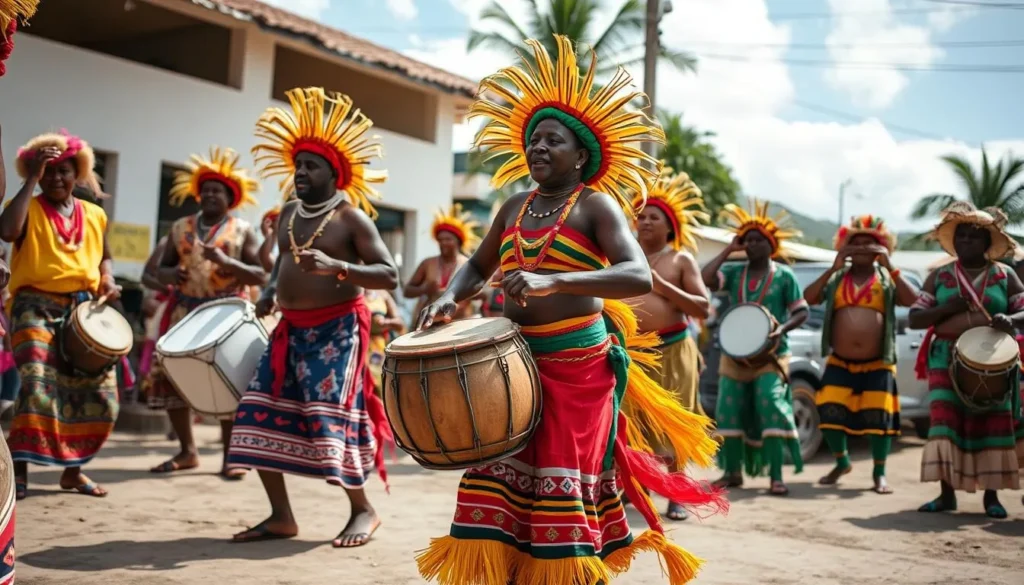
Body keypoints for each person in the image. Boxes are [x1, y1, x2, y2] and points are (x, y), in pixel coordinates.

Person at [415, 36, 726, 585]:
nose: (538, 147)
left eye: (552, 140)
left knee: (559, 491)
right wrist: (448, 296)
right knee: (501, 485)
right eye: (533, 140)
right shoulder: (514, 206)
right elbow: (477, 265)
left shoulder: (595, 205)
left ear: (580, 155)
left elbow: (633, 273)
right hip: (511, 369)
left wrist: (554, 279)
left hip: (579, 369)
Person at [226, 86, 399, 549]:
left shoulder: (351, 220)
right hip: (288, 331)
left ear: (334, 173)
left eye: (311, 166)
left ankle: (363, 510)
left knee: (329, 421)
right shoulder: (286, 214)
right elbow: (283, 264)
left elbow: (389, 274)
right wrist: (267, 294)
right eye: (298, 164)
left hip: (339, 331)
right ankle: (282, 516)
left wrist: (338, 267)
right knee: (255, 414)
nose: (300, 172)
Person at [1, 130, 121, 499]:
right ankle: (18, 472)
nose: (55, 178)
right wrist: (31, 179)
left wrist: (107, 278)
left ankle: (73, 473)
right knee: (36, 388)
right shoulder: (28, 206)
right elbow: (6, 231)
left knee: (99, 395)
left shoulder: (96, 214)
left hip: (82, 311)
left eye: (63, 171)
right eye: (47, 171)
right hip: (31, 308)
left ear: (77, 174)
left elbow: (104, 256)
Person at [146, 147, 266, 479]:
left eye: (219, 191)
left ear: (231, 197)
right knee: (172, 378)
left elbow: (260, 275)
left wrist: (228, 263)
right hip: (184, 311)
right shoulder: (180, 227)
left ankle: (231, 456)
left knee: (227, 379)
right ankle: (187, 451)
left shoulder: (242, 231)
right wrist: (170, 276)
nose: (211, 195)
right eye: (207, 190)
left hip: (226, 316)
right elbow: (161, 269)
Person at [908, 202, 1024, 519]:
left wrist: (1010, 319)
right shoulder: (939, 278)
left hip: (993, 361)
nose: (966, 242)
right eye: (961, 236)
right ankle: (946, 495)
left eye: (974, 237)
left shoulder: (1005, 275)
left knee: (992, 424)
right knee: (945, 423)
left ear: (988, 243)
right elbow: (915, 319)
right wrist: (948, 309)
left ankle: (992, 498)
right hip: (944, 358)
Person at [802, 216, 919, 494]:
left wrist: (890, 266)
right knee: (828, 413)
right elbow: (809, 297)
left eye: (871, 243)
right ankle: (842, 462)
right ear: (845, 247)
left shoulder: (887, 280)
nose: (864, 247)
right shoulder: (837, 278)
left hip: (877, 364)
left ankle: (879, 474)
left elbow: (913, 301)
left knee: (877, 422)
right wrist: (834, 266)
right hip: (840, 362)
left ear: (882, 249)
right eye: (856, 242)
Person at [700, 200, 809, 496]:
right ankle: (732, 472)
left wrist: (781, 329)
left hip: (771, 357)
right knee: (727, 409)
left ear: (771, 245)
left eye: (758, 240)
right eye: (747, 240)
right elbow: (706, 278)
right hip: (733, 357)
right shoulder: (735, 273)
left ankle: (775, 475)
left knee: (771, 405)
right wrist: (727, 250)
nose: (751, 244)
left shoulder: (785, 276)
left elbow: (802, 311)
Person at [628, 169, 711, 521]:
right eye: (641, 216)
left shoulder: (681, 260)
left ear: (669, 226)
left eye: (653, 217)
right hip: (635, 353)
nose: (645, 222)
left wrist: (661, 285)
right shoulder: (625, 256)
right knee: (635, 424)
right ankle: (641, 487)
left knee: (674, 424)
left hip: (675, 350)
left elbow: (703, 307)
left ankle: (677, 493)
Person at [404, 203, 481, 321]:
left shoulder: (468, 264)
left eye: (448, 239)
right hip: (431, 322)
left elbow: (482, 292)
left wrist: (467, 295)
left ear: (458, 242)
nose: (443, 243)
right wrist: (424, 289)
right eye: (440, 240)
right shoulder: (427, 263)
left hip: (460, 322)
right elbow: (407, 291)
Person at [366, 288, 404, 393]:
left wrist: (384, 323)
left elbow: (400, 324)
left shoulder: (382, 294)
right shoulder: (354, 292)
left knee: (378, 383)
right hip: (359, 344)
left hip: (378, 348)